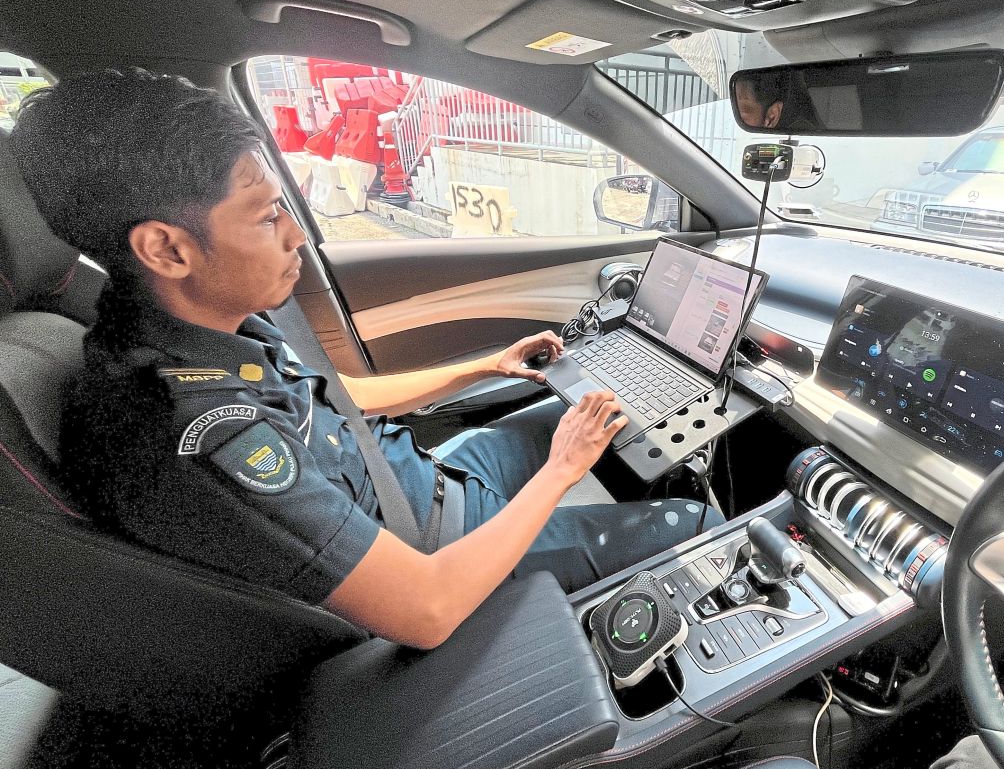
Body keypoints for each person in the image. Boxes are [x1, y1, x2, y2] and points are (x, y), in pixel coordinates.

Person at [9, 68, 722, 650]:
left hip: (423, 481)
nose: (296, 234)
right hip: (434, 552)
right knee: (689, 524)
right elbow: (428, 606)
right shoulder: (200, 433)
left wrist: (482, 366)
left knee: (582, 408)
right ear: (167, 248)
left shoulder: (185, 321)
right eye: (265, 216)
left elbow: (335, 394)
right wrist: (565, 468)